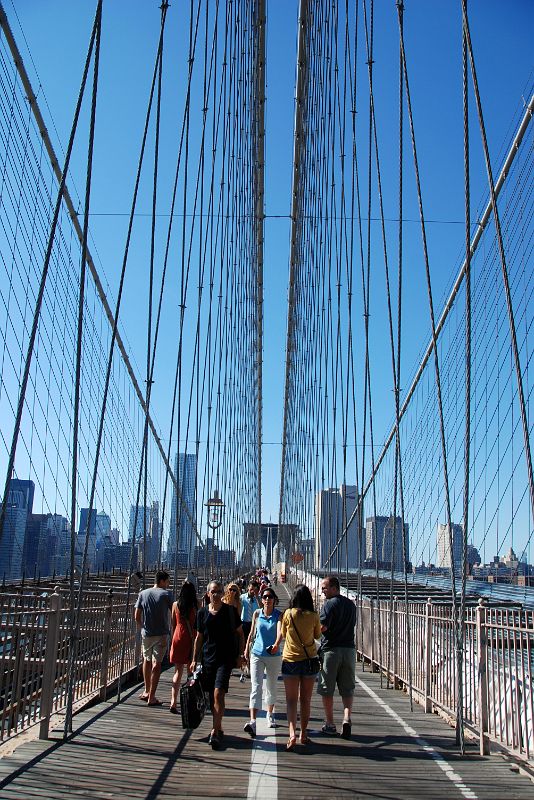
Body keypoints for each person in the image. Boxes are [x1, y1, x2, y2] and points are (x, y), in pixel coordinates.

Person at [190, 580, 246, 750]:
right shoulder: (202, 613)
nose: (216, 594)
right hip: (208, 660)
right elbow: (199, 638)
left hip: (225, 659)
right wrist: (194, 659)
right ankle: (219, 726)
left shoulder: (230, 611)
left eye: (219, 591)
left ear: (223, 593)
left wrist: (240, 655)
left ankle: (215, 729)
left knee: (218, 693)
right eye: (213, 591)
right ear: (207, 594)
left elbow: (241, 634)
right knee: (210, 696)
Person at [271, 583, 321, 750]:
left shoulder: (288, 614)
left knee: (291, 700)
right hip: (309, 662)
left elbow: (284, 634)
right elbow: (317, 635)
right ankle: (303, 733)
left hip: (290, 661)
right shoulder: (313, 616)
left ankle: (292, 732)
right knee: (305, 700)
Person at [317, 575, 357, 738]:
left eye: (325, 588)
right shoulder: (351, 605)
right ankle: (347, 718)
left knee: (327, 689)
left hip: (331, 650)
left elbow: (323, 627)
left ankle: (330, 723)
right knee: (347, 689)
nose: (322, 591)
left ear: (334, 588)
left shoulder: (328, 605)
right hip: (349, 650)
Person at [243, 587, 282, 736]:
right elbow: (252, 633)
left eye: (270, 597)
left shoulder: (279, 615)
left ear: (274, 599)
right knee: (256, 686)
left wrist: (277, 644)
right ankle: (252, 721)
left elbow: (280, 632)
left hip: (273, 655)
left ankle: (270, 714)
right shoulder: (257, 613)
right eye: (265, 597)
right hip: (257, 654)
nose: (267, 599)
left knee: (271, 686)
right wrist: (246, 649)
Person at [134, 569, 173, 706]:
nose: (168, 584)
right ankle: (152, 696)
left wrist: (142, 628)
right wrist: (172, 630)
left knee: (146, 660)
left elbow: (136, 615)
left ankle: (146, 691)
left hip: (147, 634)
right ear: (162, 581)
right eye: (167, 581)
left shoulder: (143, 593)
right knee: (157, 663)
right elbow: (174, 613)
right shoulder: (167, 594)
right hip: (161, 634)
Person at [169, 580, 198, 713]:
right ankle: (189, 701)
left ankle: (173, 702)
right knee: (190, 672)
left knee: (177, 671)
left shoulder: (175, 605)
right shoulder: (196, 604)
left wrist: (174, 639)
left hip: (178, 637)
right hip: (192, 638)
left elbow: (174, 624)